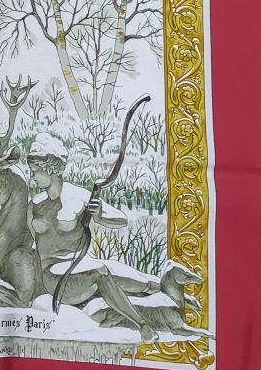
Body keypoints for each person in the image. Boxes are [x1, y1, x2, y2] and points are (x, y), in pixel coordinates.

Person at [26, 133, 161, 342]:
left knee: (141, 283)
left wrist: (98, 216)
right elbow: (28, 242)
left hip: (81, 265)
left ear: (50, 168)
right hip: (54, 277)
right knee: (101, 275)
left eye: (35, 171)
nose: (32, 176)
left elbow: (122, 220)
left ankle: (163, 295)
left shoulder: (78, 196)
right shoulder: (35, 204)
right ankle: (142, 325)